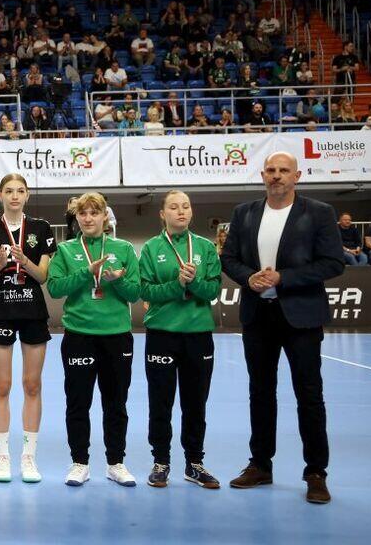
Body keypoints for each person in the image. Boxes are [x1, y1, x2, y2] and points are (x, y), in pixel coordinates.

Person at [220, 151, 344, 504]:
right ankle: (260, 464)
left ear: (296, 176)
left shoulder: (319, 212)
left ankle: (316, 472)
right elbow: (229, 258)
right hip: (258, 316)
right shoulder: (244, 213)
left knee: (309, 394)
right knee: (260, 393)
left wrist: (283, 278)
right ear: (263, 175)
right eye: (271, 170)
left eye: (284, 170)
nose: (276, 175)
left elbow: (333, 263)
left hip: (301, 317)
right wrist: (249, 277)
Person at [47, 192, 141, 488]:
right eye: (83, 213)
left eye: (94, 213)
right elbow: (55, 288)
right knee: (78, 402)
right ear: (76, 218)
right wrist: (88, 273)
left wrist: (118, 280)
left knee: (116, 403)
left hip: (116, 336)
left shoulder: (123, 248)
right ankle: (80, 463)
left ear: (104, 217)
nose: (88, 218)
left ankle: (116, 463)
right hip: (79, 335)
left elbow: (135, 293)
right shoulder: (65, 250)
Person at [0, 174, 56, 483]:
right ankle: (3, 457)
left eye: (20, 191)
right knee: (2, 385)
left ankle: (29, 457)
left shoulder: (41, 228)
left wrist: (24, 260)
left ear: (27, 195)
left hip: (32, 312)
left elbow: (43, 276)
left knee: (32, 384)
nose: (14, 196)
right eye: (9, 191)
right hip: (1, 312)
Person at [138, 191, 223, 490]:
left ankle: (194, 463)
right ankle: (161, 461)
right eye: (173, 207)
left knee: (195, 402)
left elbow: (213, 290)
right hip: (162, 334)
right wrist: (177, 284)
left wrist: (194, 282)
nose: (181, 211)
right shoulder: (151, 248)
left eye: (185, 206)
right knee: (160, 402)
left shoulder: (204, 247)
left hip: (198, 335)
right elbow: (145, 291)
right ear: (163, 214)